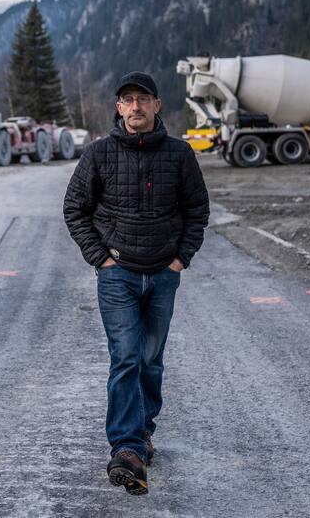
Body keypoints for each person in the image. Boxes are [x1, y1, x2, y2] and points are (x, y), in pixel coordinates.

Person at [63, 71, 209, 495]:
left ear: (157, 105)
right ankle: (126, 447)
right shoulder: (98, 155)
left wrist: (181, 259)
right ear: (119, 107)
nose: (136, 106)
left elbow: (197, 210)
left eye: (144, 99)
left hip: (164, 273)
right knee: (126, 357)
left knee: (151, 359)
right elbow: (75, 209)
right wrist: (101, 259)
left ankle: (143, 430)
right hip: (118, 275)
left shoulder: (180, 155)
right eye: (128, 99)